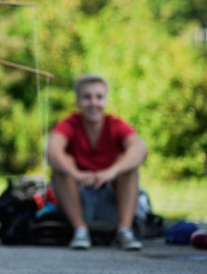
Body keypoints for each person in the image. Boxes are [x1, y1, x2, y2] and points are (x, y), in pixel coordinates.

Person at [47, 74, 148, 251]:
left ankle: (124, 231)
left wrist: (111, 172)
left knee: (129, 167)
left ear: (105, 101)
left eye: (99, 97)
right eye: (87, 97)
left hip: (110, 193)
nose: (93, 103)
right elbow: (52, 151)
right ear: (78, 101)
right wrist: (76, 174)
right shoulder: (70, 124)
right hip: (78, 194)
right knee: (62, 165)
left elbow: (140, 149)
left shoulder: (115, 124)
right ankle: (80, 230)